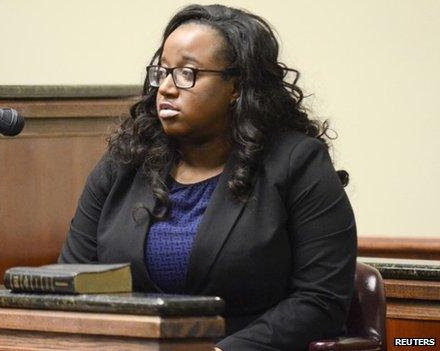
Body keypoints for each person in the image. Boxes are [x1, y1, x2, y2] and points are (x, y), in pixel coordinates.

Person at [59, 4, 356, 350]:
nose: (166, 89)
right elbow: (74, 279)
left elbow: (321, 300)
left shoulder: (296, 163)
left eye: (187, 73)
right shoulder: (124, 162)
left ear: (237, 86)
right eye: (162, 72)